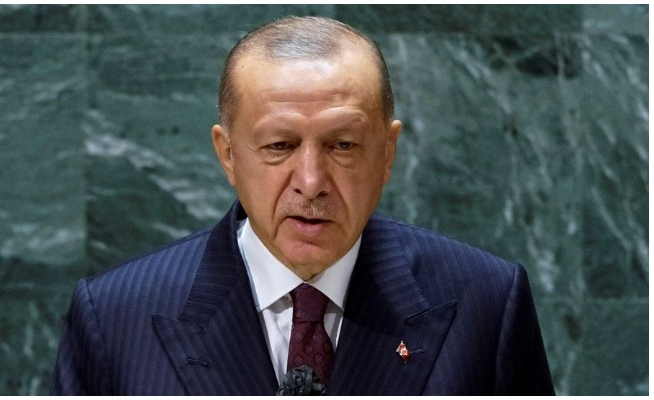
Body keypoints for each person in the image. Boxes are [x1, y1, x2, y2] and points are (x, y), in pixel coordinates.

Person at [51, 16, 554, 395]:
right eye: (279, 147)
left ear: (387, 152)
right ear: (227, 153)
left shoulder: (486, 302)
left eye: (343, 146)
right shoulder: (115, 317)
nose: (311, 182)